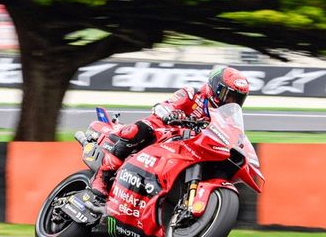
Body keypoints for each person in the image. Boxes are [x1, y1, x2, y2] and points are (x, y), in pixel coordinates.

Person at [88, 66, 250, 201]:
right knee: (139, 129)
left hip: (193, 149)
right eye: (228, 96)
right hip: (167, 133)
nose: (231, 102)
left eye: (237, 99)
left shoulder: (227, 119)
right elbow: (164, 106)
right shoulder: (192, 94)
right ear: (215, 87)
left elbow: (234, 137)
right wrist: (172, 113)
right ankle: (103, 175)